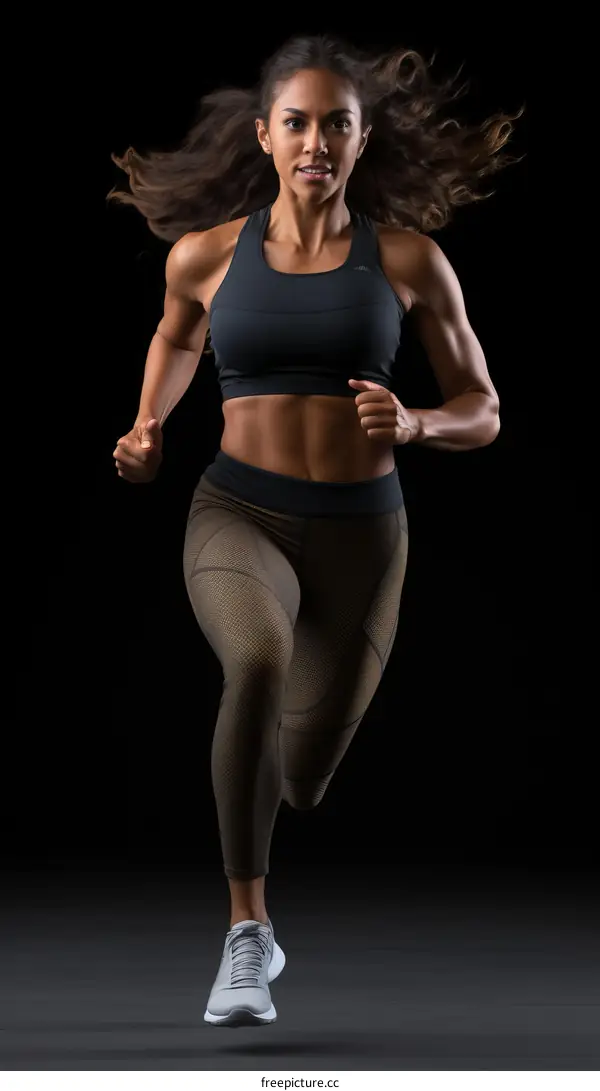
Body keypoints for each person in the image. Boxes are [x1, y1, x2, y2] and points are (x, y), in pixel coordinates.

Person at [108, 34, 521, 1028]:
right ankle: (246, 934)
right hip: (237, 511)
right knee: (255, 659)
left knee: (303, 776)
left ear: (361, 137)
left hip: (363, 538)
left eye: (337, 122)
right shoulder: (206, 254)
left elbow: (485, 405)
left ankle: (279, 828)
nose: (316, 140)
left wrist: (419, 420)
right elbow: (176, 335)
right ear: (265, 135)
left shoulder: (412, 260)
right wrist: (148, 424)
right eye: (297, 121)